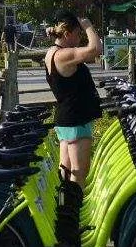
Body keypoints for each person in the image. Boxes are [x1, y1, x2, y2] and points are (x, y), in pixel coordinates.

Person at [44, 12, 103, 189]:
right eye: (78, 35)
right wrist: (88, 26)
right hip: (76, 121)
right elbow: (95, 50)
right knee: (79, 171)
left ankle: (66, 209)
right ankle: (73, 210)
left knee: (67, 171)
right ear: (67, 34)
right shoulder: (63, 55)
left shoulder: (52, 52)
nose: (80, 39)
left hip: (69, 118)